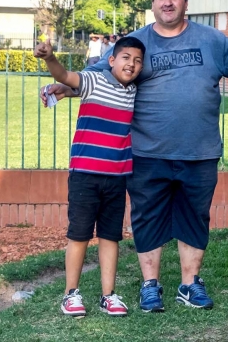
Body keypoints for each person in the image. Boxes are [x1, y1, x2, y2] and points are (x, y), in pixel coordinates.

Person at [43, 0, 228, 313]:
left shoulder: (211, 39)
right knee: (148, 217)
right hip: (147, 152)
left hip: (200, 152)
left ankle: (189, 284)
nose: (167, 2)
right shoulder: (135, 43)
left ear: (186, 2)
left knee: (194, 218)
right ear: (153, 4)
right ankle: (149, 285)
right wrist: (65, 87)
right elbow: (98, 73)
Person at [35, 36, 146, 318]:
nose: (131, 64)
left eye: (137, 61)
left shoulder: (133, 91)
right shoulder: (93, 81)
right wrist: (49, 58)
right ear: (111, 60)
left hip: (117, 178)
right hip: (85, 175)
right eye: (125, 58)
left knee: (110, 237)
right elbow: (65, 76)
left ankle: (108, 295)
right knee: (79, 235)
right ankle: (70, 294)